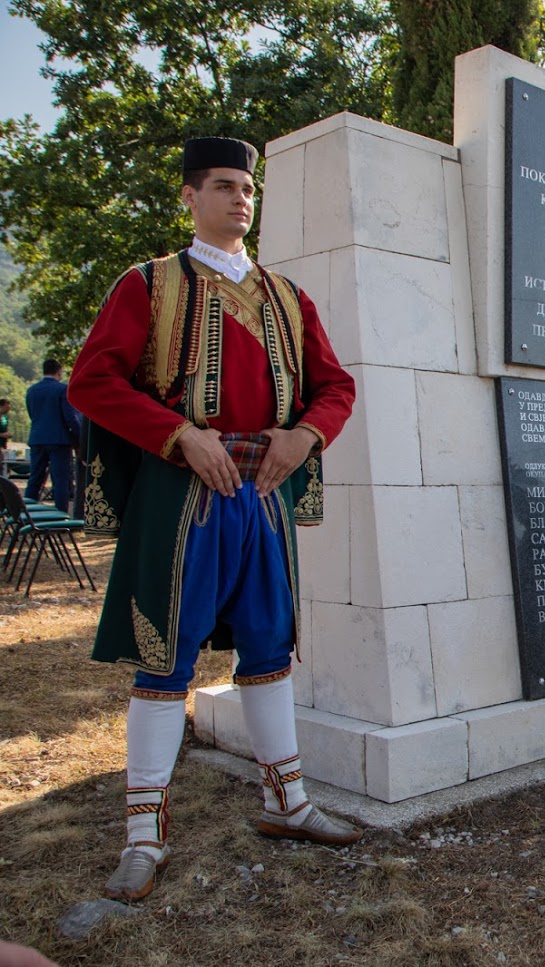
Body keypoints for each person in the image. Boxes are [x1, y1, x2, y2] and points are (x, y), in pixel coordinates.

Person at [68, 137, 359, 902]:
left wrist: (302, 436)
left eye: (248, 189)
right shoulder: (149, 285)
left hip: (262, 488)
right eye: (225, 186)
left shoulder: (290, 299)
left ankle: (286, 801)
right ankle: (142, 834)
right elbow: (92, 381)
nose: (241, 200)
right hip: (181, 489)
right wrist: (180, 435)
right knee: (165, 656)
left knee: (269, 647)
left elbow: (335, 386)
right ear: (191, 198)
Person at [24, 359, 81, 513]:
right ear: (59, 371)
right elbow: (70, 418)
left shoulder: (32, 390)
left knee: (35, 478)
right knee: (61, 480)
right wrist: (79, 438)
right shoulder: (62, 389)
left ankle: (28, 512)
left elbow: (32, 413)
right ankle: (60, 514)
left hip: (37, 438)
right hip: (59, 439)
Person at [0, 397, 11, 477]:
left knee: (4, 466)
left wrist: (8, 434)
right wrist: (2, 435)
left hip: (3, 445)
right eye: (7, 407)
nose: (8, 409)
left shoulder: (5, 418)